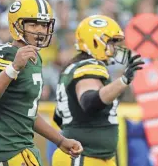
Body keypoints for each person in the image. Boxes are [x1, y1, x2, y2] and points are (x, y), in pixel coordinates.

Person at [0, 0, 83, 166]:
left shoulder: (35, 59)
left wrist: (60, 141)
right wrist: (13, 68)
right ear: (17, 24)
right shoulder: (3, 53)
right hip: (3, 152)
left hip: (23, 149)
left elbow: (28, 114)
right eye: (33, 24)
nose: (40, 30)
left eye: (44, 25)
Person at [52, 15, 144, 166]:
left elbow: (59, 117)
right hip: (84, 157)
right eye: (111, 42)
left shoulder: (75, 66)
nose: (115, 47)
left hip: (89, 156)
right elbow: (89, 102)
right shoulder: (89, 66)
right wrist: (123, 81)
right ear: (95, 41)